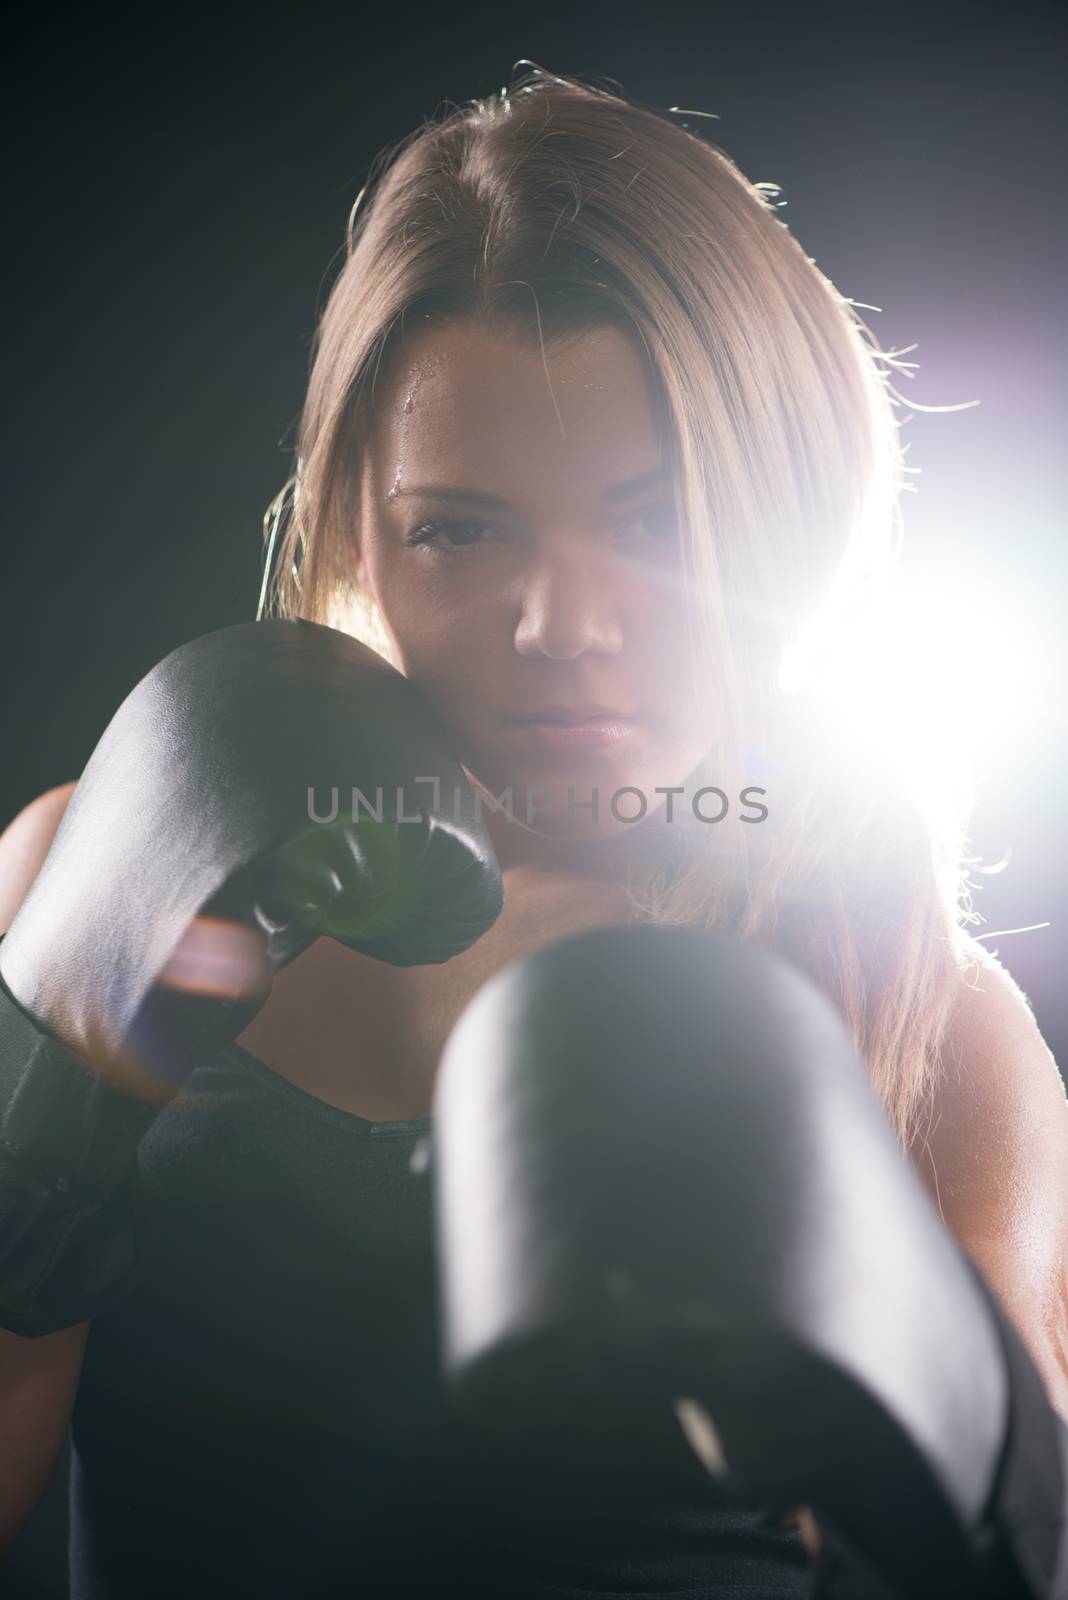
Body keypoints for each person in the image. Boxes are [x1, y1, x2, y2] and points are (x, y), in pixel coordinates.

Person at [1, 62, 1066, 1598]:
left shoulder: (922, 1013)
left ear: (792, 503)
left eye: (653, 522)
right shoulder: (101, 864)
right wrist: (45, 1153)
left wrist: (919, 1392)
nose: (561, 625)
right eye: (462, 528)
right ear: (358, 518)